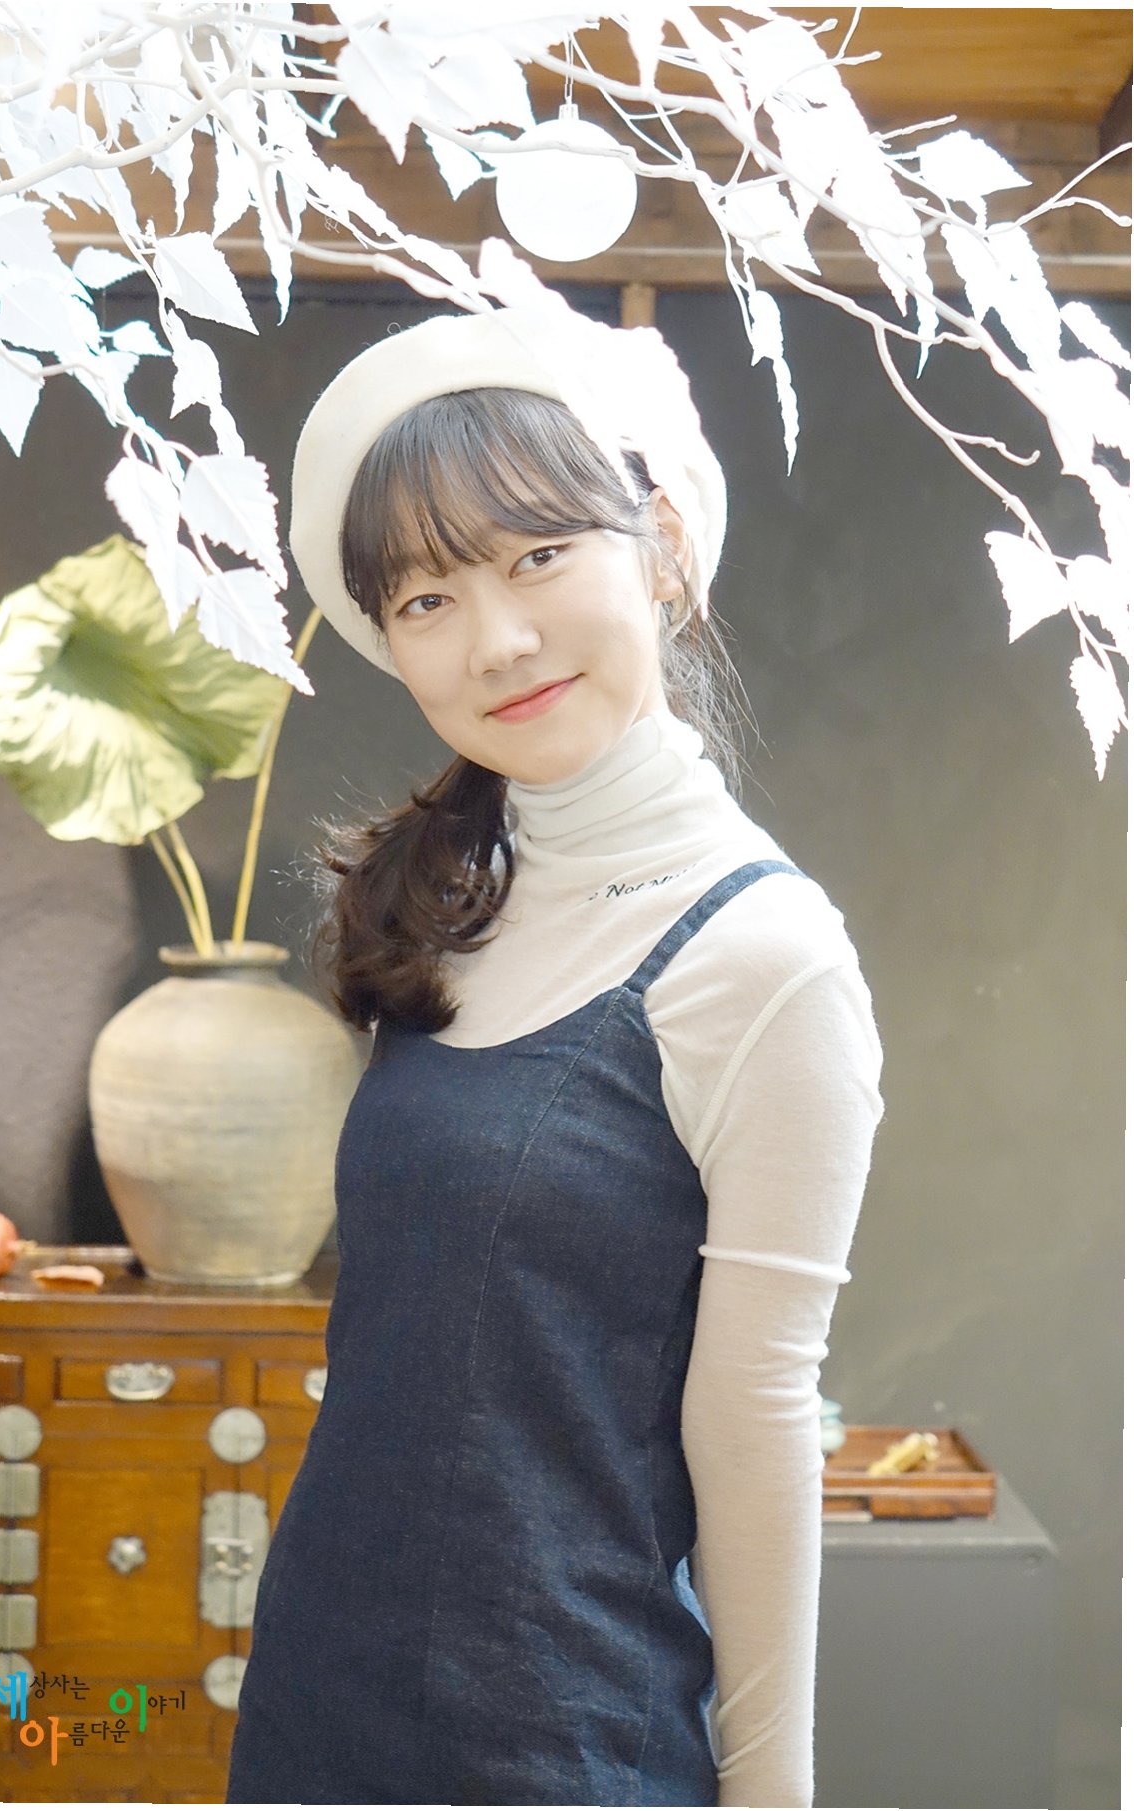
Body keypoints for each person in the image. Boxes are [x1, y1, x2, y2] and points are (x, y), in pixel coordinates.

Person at [225, 303, 885, 1808]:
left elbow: (756, 1416)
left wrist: (773, 1793)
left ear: (661, 547)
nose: (498, 640)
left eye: (538, 556)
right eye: (429, 598)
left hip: (557, 1742)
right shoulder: (461, 906)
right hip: (318, 1703)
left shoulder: (763, 957)